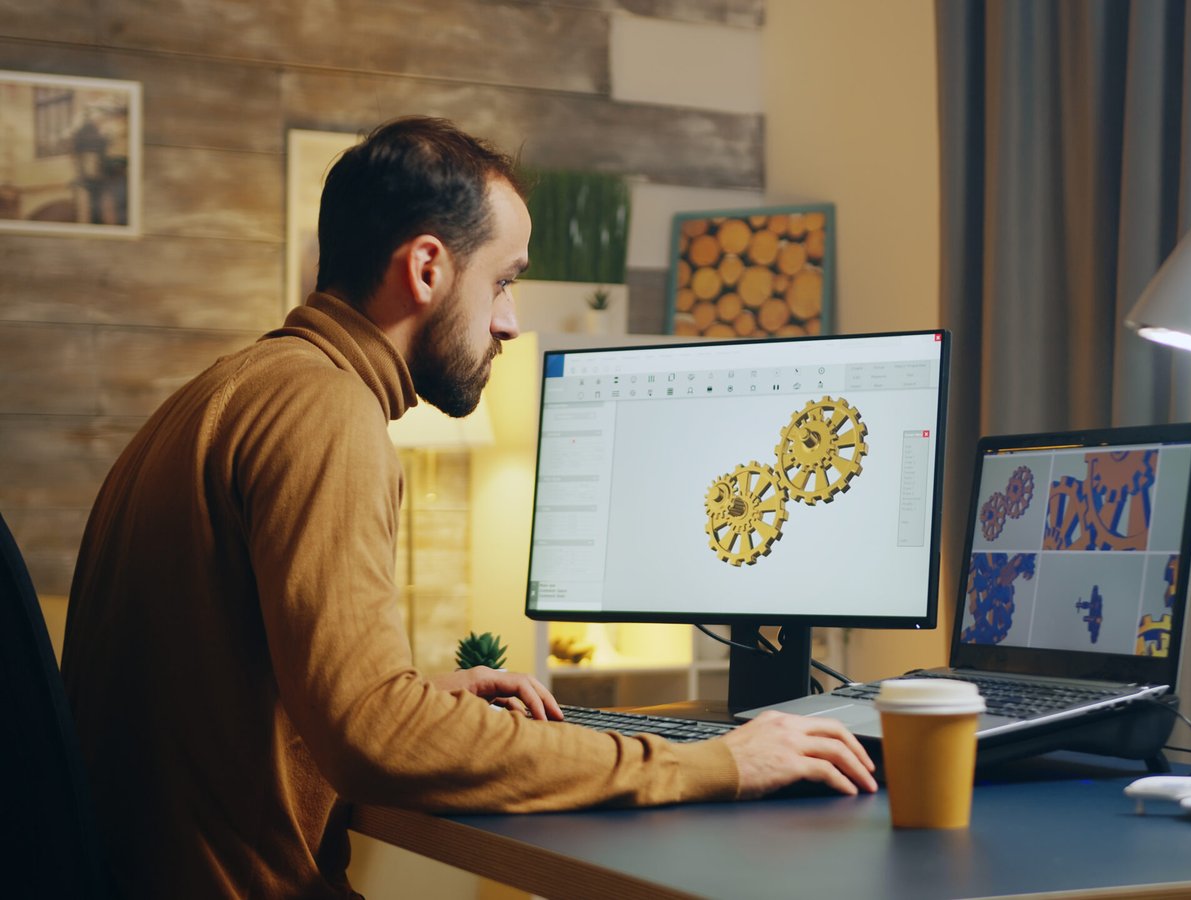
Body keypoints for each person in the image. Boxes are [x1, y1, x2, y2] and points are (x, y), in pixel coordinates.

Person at [61, 116, 876, 899]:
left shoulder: (226, 393)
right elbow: (374, 740)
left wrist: (424, 703)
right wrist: (714, 765)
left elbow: (226, 706)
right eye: (504, 281)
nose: (510, 323)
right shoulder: (327, 416)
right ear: (426, 269)